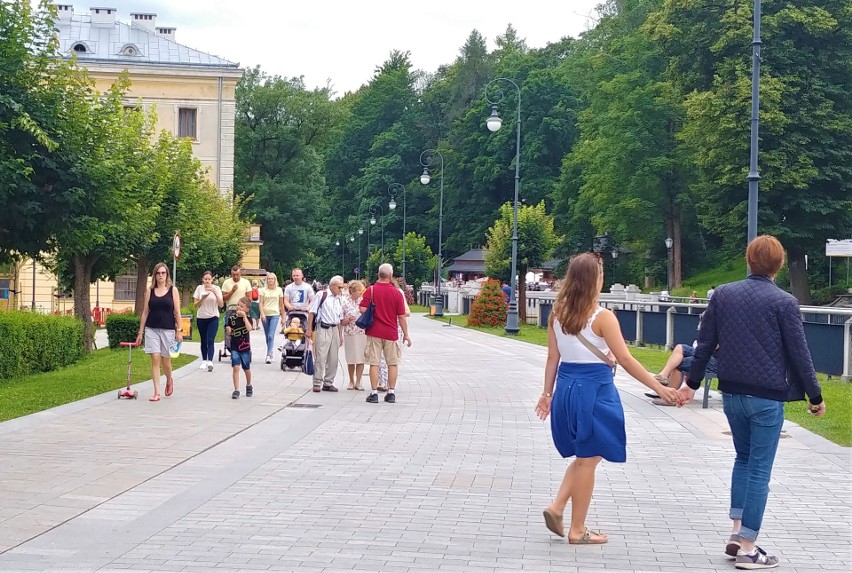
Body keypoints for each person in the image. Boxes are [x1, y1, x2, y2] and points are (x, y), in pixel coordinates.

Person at [678, 235, 825, 569]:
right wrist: (815, 397)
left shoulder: (724, 295)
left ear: (748, 259)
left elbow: (704, 344)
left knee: (742, 460)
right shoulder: (784, 302)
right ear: (779, 264)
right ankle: (748, 549)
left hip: (731, 394)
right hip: (767, 398)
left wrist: (691, 384)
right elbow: (799, 353)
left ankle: (735, 531)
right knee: (759, 469)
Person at [535, 253, 680, 544]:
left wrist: (547, 393)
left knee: (587, 453)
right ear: (594, 280)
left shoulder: (556, 313)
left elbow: (553, 357)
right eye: (601, 274)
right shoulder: (603, 317)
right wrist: (659, 386)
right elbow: (626, 359)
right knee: (589, 457)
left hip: (566, 387)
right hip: (594, 390)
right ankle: (577, 530)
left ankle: (558, 505)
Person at [360, 264, 412, 404]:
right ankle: (391, 393)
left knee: (374, 363)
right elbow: (401, 316)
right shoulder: (396, 293)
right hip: (391, 332)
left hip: (374, 331)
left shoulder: (370, 290)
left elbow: (362, 308)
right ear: (390, 276)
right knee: (393, 363)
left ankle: (374, 393)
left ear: (378, 274)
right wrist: (406, 334)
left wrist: (373, 311)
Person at [135, 262, 184, 401]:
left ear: (167, 274)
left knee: (166, 361)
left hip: (168, 329)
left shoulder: (172, 290)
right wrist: (140, 332)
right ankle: (156, 392)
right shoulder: (150, 291)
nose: (161, 275)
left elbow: (177, 312)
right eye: (158, 273)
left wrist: (179, 330)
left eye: (163, 273)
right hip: (152, 328)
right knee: (155, 357)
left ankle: (169, 379)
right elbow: (145, 312)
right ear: (155, 275)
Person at [306, 275, 345, 392]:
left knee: (334, 358)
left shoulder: (339, 298)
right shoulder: (322, 295)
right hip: (323, 327)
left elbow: (339, 318)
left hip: (334, 328)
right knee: (321, 356)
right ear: (332, 286)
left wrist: (340, 334)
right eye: (339, 287)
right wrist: (309, 329)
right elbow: (312, 312)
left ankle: (328, 382)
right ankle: (317, 382)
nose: (341, 290)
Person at [376, 278, 411, 392]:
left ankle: (388, 383)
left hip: (394, 328)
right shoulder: (376, 291)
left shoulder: (398, 292)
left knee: (390, 358)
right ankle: (383, 382)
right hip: (384, 327)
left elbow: (407, 312)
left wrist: (393, 310)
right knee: (382, 358)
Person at [193, 270, 223, 372]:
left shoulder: (217, 288)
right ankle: (204, 360)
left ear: (212, 280)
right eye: (205, 279)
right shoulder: (199, 288)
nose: (207, 281)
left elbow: (221, 304)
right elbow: (196, 305)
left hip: (213, 317)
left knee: (210, 339)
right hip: (201, 317)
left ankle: (210, 360)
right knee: (203, 339)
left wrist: (214, 293)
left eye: (209, 279)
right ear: (202, 279)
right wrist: (202, 298)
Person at [341, 279, 367, 391]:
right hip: (350, 332)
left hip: (362, 332)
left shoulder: (363, 301)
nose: (361, 292)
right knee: (351, 358)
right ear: (352, 291)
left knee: (361, 358)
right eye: (359, 290)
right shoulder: (345, 302)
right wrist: (347, 319)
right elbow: (341, 321)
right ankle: (351, 380)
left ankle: (359, 381)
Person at [225, 296, 253, 399]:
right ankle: (236, 390)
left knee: (246, 368)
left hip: (245, 347)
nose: (238, 308)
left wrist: (244, 317)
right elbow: (228, 327)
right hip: (234, 346)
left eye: (241, 306)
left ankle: (249, 384)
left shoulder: (248, 318)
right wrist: (228, 329)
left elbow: (250, 328)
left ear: (247, 309)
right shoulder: (232, 318)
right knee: (236, 367)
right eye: (238, 305)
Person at [221, 265, 252, 356]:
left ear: (240, 273)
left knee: (243, 328)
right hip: (231, 308)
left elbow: (249, 298)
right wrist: (232, 291)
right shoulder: (227, 283)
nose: (235, 276)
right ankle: (230, 347)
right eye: (233, 274)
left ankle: (243, 346)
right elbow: (224, 298)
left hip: (242, 309)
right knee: (229, 328)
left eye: (237, 274)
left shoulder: (245, 282)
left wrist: (244, 307)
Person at [259, 272, 284, 364]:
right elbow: (261, 303)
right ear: (266, 280)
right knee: (267, 336)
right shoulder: (263, 290)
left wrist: (283, 317)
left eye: (272, 279)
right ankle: (271, 352)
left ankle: (268, 354)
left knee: (271, 335)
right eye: (269, 279)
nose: (270, 280)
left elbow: (281, 304)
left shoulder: (279, 290)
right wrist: (262, 314)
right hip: (265, 314)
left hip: (275, 314)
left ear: (275, 280)